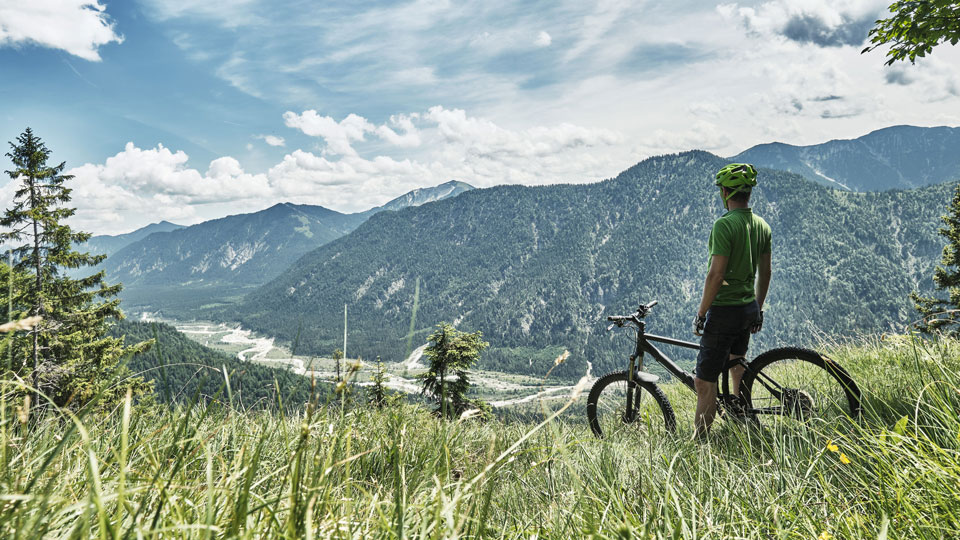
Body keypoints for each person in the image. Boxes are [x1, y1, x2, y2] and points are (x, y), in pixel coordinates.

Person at [692, 163, 771, 438]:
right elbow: (766, 272)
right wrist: (758, 309)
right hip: (748, 307)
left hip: (724, 311)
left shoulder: (724, 225)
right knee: (737, 364)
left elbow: (716, 275)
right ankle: (743, 422)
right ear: (748, 192)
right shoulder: (762, 225)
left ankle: (700, 445)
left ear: (725, 192)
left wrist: (701, 313)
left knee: (704, 381)